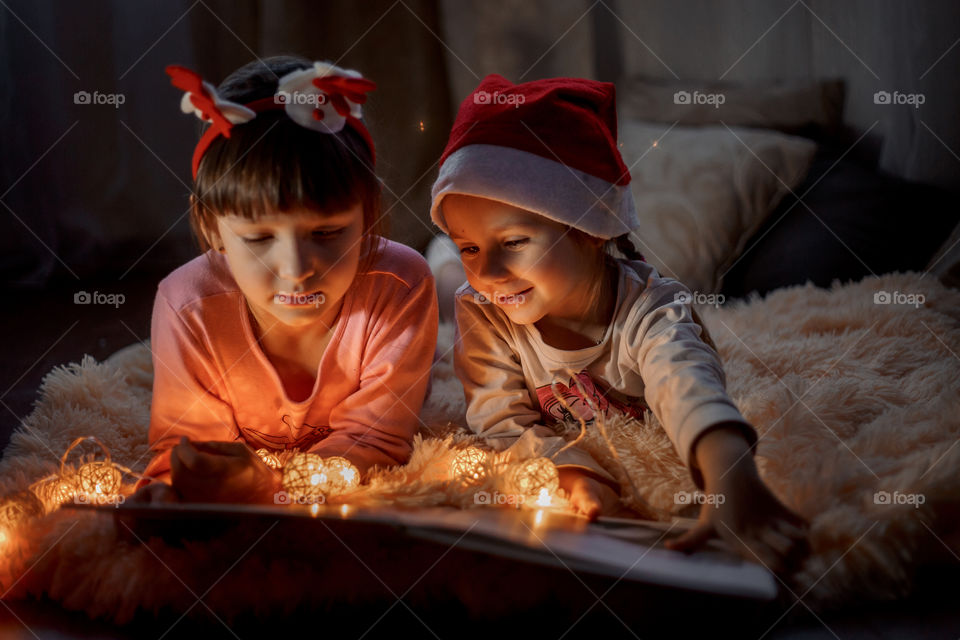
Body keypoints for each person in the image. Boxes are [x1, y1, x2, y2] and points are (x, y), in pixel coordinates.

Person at [430, 74, 807, 572]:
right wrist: (571, 472)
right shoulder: (482, 309)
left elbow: (686, 382)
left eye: (514, 242)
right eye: (470, 248)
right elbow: (498, 416)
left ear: (590, 228)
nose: (488, 273)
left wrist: (732, 479)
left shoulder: (651, 309)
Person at [131, 56, 438, 506]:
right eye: (258, 238)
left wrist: (273, 487)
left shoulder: (400, 286)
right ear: (213, 226)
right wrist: (175, 490)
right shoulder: (187, 304)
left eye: (327, 233)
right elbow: (189, 453)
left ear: (368, 214)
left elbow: (377, 442)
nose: (295, 269)